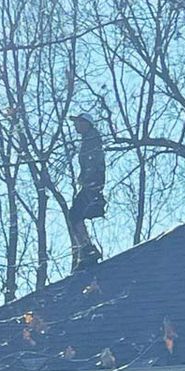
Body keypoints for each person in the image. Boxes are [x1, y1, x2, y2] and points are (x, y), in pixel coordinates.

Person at [67, 113, 107, 271]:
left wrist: (90, 181)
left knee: (75, 214)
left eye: (78, 122)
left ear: (86, 124)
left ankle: (87, 248)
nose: (76, 126)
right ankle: (86, 248)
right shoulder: (88, 140)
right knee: (75, 214)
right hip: (90, 184)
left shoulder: (92, 140)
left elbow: (94, 162)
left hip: (92, 185)